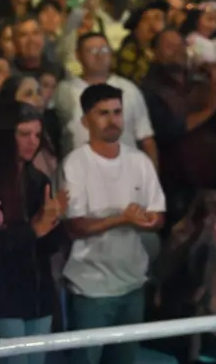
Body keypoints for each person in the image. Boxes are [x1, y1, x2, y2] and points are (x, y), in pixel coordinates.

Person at [62, 83, 166, 364]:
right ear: (85, 121)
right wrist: (123, 218)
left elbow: (159, 216)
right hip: (91, 288)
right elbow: (75, 227)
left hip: (133, 284)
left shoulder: (139, 161)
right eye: (103, 113)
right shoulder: (75, 164)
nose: (112, 120)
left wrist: (148, 219)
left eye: (117, 112)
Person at [0, 102, 67, 364]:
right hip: (4, 296)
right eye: (24, 134)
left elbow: (49, 247)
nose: (32, 142)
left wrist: (54, 221)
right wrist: (33, 230)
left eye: (37, 135)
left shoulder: (39, 179)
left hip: (38, 294)